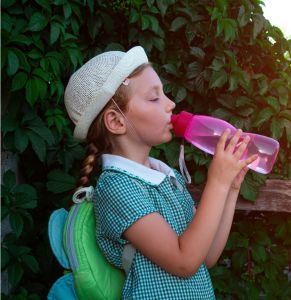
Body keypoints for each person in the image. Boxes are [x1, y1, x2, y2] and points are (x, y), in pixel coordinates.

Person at [64, 45, 258, 299]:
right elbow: (184, 261)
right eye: (154, 98)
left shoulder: (168, 179)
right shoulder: (117, 187)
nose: (171, 104)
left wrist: (230, 189)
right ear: (116, 121)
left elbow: (205, 257)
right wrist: (217, 183)